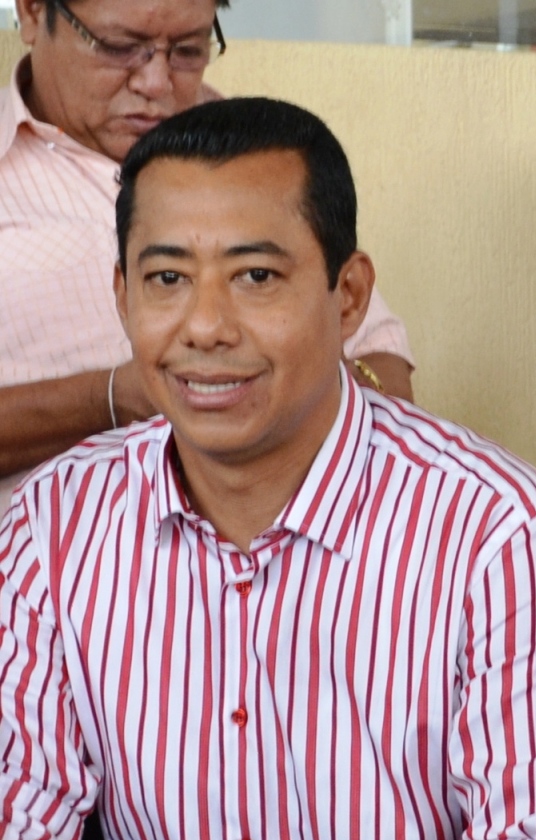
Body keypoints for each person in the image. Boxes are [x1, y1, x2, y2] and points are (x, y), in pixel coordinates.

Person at [1, 96, 536, 840]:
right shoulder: (54, 524)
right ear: (121, 295)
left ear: (349, 297)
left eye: (256, 277)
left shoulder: (499, 531)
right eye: (166, 279)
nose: (205, 327)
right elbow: (15, 839)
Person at [0, 0, 414, 518]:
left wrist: (260, 390)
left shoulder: (262, 160)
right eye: (120, 48)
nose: (156, 83)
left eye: (187, 50)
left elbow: (386, 377)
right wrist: (110, 398)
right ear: (32, 13)